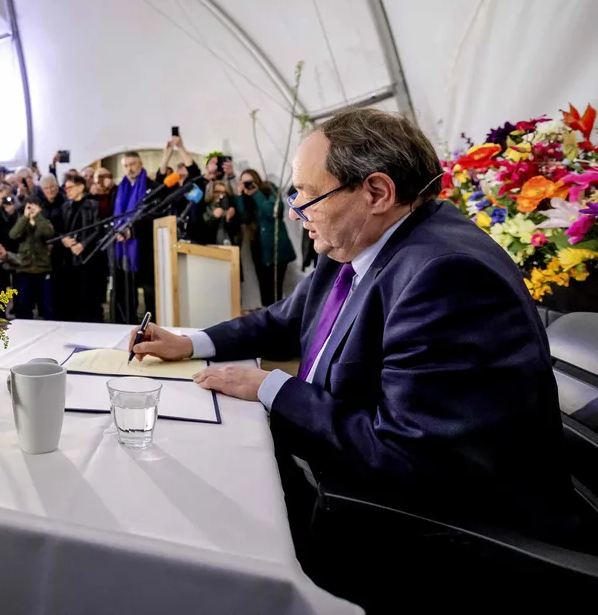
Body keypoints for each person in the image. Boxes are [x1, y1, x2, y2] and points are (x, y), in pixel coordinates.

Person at [128, 108, 583, 555]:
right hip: (355, 476)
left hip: (445, 533)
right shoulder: (360, 240)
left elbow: (405, 454)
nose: (295, 212)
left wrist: (272, 388)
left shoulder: (445, 276)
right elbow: (286, 319)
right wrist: (190, 343)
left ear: (378, 192)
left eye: (307, 195)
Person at [236, 169, 296, 305]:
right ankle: (267, 319)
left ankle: (278, 319)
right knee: (264, 289)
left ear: (256, 181)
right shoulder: (245, 199)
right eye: (244, 183)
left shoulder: (269, 189)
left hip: (276, 246)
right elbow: (243, 218)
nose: (247, 186)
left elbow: (274, 211)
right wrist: (240, 197)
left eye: (249, 182)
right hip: (257, 248)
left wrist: (256, 194)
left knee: (276, 289)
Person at [111, 151, 157, 324]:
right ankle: (126, 325)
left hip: (145, 249)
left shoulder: (152, 186)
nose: (130, 168)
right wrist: (117, 231)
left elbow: (154, 216)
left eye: (133, 164)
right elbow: (113, 216)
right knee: (125, 293)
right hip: (122, 249)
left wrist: (133, 231)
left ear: (141, 164)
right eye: (127, 165)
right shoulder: (118, 190)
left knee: (149, 293)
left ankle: (152, 327)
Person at [56, 173, 106, 322]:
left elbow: (97, 230)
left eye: (70, 187)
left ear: (81, 187)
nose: (67, 191)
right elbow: (60, 229)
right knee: (71, 296)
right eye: (66, 188)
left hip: (89, 258)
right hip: (69, 259)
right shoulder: (65, 206)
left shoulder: (92, 205)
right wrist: (64, 240)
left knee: (89, 296)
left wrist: (83, 245)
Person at [9, 196, 54, 320]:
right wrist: (25, 217)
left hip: (42, 268)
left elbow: (48, 232)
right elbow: (13, 234)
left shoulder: (44, 220)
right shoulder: (21, 220)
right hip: (24, 268)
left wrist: (38, 216)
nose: (31, 209)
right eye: (28, 206)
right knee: (24, 305)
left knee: (46, 305)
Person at [201, 178, 239, 246]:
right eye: (217, 192)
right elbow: (203, 231)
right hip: (209, 247)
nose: (221, 195)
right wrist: (214, 217)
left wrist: (228, 219)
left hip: (229, 246)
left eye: (224, 192)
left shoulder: (230, 208)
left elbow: (235, 232)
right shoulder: (204, 207)